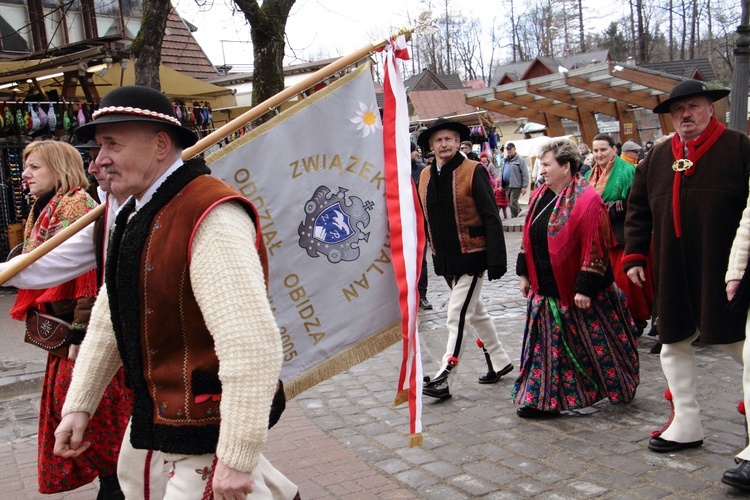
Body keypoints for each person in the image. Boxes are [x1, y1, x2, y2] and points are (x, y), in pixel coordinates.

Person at [52, 86, 297, 499]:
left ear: (161, 144)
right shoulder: (135, 212)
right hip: (156, 425)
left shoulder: (210, 214)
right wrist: (80, 403)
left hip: (206, 432)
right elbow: (113, 313)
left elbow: (252, 345)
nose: (99, 160)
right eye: (98, 147)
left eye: (113, 144)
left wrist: (236, 458)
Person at [624, 80, 750, 460]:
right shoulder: (658, 157)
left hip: (724, 266)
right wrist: (634, 257)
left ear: (710, 108)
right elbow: (638, 211)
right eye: (678, 111)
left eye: (693, 106)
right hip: (672, 267)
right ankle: (686, 421)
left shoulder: (740, 148)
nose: (685, 115)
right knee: (673, 342)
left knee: (738, 344)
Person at [9, 140, 130, 498]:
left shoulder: (77, 206)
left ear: (59, 168)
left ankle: (114, 484)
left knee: (100, 419)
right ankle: (112, 483)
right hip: (67, 340)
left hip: (84, 338)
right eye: (25, 167)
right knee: (86, 420)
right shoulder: (46, 207)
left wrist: (81, 332)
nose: (25, 175)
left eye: (35, 167)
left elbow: (90, 275)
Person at [513, 138, 639, 418]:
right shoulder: (539, 196)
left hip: (581, 293)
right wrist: (524, 273)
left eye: (546, 165)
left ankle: (620, 383)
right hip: (546, 291)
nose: (542, 170)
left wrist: (584, 287)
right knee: (546, 350)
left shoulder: (587, 200)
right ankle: (542, 400)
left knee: (601, 348)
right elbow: (528, 237)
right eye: (541, 165)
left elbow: (597, 247)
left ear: (566, 167)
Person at [416, 117, 513, 400]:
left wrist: (496, 259)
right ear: (431, 146)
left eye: (449, 139)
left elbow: (491, 216)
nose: (444, 144)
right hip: (445, 259)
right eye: (438, 140)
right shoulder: (425, 175)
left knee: (456, 314)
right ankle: (500, 360)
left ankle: (445, 377)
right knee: (475, 310)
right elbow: (423, 217)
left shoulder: (474, 170)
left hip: (474, 256)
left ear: (459, 142)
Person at [588, 134, 653, 336]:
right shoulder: (590, 175)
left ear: (613, 150)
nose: (599, 154)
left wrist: (609, 209)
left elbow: (638, 205)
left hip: (623, 237)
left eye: (603, 150)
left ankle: (635, 320)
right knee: (606, 284)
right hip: (601, 240)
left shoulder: (629, 172)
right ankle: (614, 319)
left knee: (626, 283)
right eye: (596, 150)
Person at [411, 142, 432, 310]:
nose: (415, 154)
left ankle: (422, 295)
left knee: (421, 261)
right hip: (399, 224)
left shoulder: (422, 170)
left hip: (420, 222)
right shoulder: (392, 169)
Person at [501, 142, 528, 218]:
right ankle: (522, 215)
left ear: (514, 149)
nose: (509, 151)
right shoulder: (506, 160)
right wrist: (501, 185)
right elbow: (502, 172)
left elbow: (525, 173)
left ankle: (515, 218)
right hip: (507, 185)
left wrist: (524, 186)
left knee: (513, 203)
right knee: (511, 203)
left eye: (510, 149)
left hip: (516, 185)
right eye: (508, 149)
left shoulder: (520, 160)